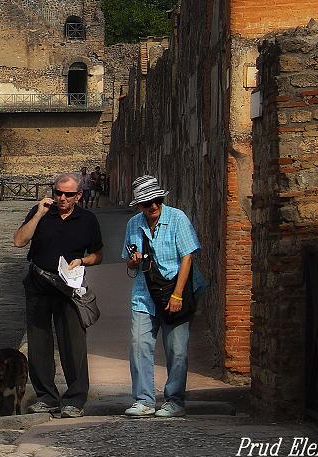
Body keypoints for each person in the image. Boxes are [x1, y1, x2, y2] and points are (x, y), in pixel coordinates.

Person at [12, 173, 103, 417]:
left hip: (68, 288)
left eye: (68, 194)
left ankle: (75, 399)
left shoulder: (88, 220)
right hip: (39, 284)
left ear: (78, 196)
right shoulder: (40, 212)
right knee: (39, 344)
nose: (62, 198)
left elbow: (98, 255)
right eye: (58, 192)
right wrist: (39, 213)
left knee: (73, 344)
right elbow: (19, 241)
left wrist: (82, 260)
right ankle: (46, 397)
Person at [122, 176, 205, 418]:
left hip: (175, 290)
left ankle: (174, 400)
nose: (154, 206)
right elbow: (128, 262)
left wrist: (178, 295)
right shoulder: (133, 225)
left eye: (157, 200)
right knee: (139, 346)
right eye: (147, 203)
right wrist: (133, 261)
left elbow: (187, 257)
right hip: (144, 294)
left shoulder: (177, 218)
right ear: (139, 205)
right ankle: (143, 399)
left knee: (177, 350)